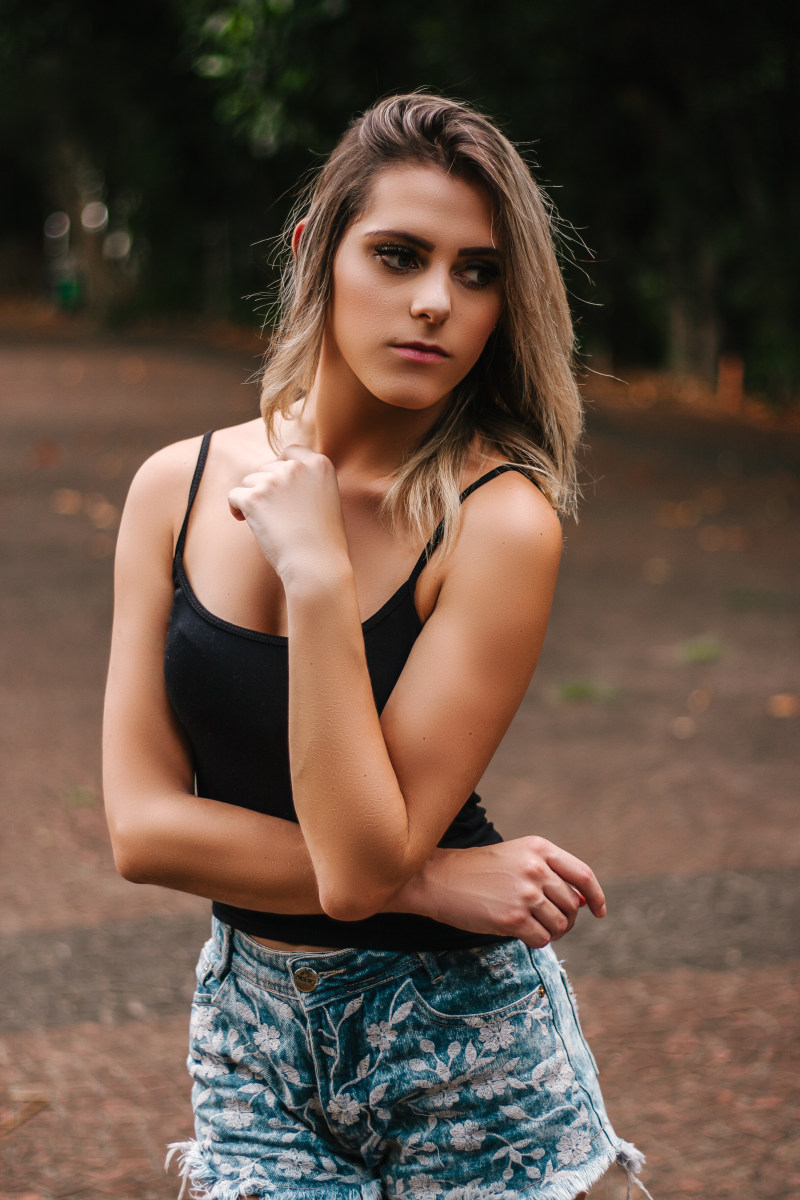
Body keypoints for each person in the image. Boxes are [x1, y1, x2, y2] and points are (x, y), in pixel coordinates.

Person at [103, 92, 650, 1200]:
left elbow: (356, 865)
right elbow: (144, 828)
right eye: (397, 255)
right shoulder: (175, 486)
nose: (435, 301)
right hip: (252, 1035)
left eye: (476, 272)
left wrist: (316, 571)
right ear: (317, 250)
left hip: (461, 1044)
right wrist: (433, 878)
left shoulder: (497, 520)